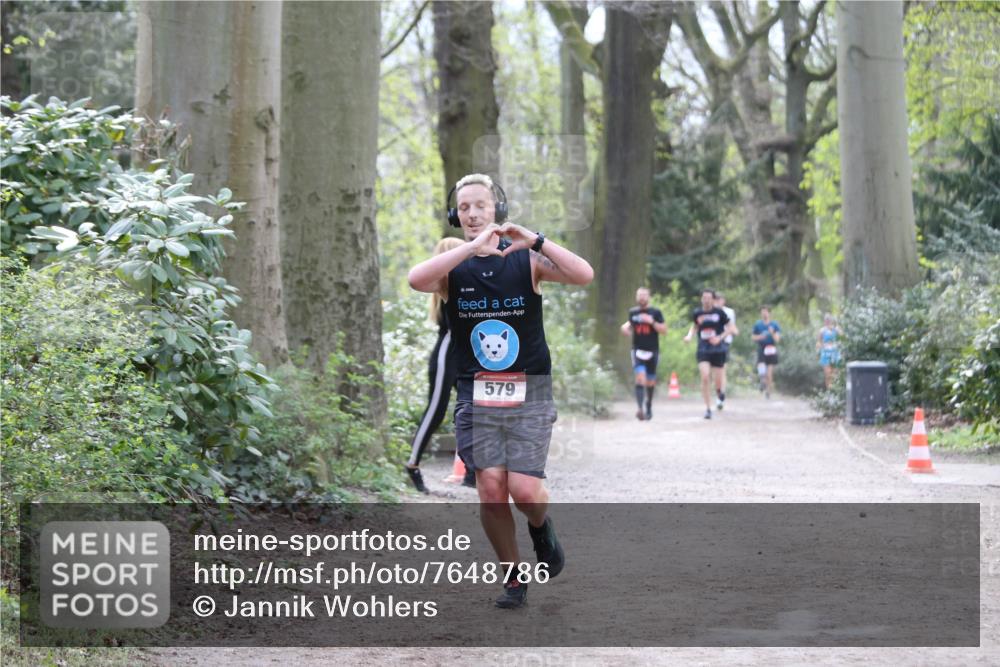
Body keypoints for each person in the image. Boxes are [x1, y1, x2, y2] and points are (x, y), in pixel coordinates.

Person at [408, 173, 594, 609]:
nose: (473, 213)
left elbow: (583, 274)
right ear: (457, 214)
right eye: (465, 207)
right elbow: (417, 280)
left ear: (497, 209)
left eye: (481, 205)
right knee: (491, 488)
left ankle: (541, 527)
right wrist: (470, 248)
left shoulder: (525, 259)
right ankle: (513, 578)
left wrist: (538, 240)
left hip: (530, 389)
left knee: (525, 492)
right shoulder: (454, 267)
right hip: (477, 393)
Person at [405, 237, 477, 494]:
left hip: (466, 356)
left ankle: (472, 471)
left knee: (472, 409)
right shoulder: (447, 284)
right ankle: (411, 464)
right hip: (447, 354)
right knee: (436, 410)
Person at [683, 289, 734, 420]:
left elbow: (730, 328)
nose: (706, 300)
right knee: (705, 377)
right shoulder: (697, 313)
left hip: (718, 349)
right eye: (704, 298)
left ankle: (719, 392)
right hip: (703, 348)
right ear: (701, 299)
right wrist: (689, 336)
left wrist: (720, 337)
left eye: (708, 298)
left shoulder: (719, 312)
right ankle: (707, 408)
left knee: (718, 380)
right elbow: (695, 326)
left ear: (713, 299)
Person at [620, 287, 667, 421]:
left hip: (653, 351)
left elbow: (664, 330)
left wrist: (651, 321)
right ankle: (640, 409)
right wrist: (625, 329)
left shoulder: (656, 312)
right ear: (636, 297)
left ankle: (649, 405)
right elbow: (629, 326)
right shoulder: (633, 312)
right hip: (637, 350)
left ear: (649, 297)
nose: (641, 297)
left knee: (650, 382)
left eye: (644, 295)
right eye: (639, 295)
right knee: (640, 378)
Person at [713, 292, 738, 411]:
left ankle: (721, 395)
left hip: (724, 343)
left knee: (722, 370)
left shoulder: (729, 312)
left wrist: (732, 332)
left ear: (724, 300)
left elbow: (732, 327)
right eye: (716, 299)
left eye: (720, 299)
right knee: (714, 372)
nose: (718, 301)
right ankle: (718, 393)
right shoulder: (710, 312)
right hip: (711, 344)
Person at [752, 306, 782, 399]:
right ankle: (763, 383)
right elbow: (753, 337)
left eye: (766, 312)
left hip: (771, 349)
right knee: (762, 372)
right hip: (761, 348)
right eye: (762, 312)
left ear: (769, 313)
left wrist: (772, 333)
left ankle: (768, 392)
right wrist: (760, 337)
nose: (764, 314)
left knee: (769, 373)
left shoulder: (774, 325)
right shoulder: (758, 324)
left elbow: (777, 339)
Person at [817, 313, 843, 390]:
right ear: (824, 321)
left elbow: (843, 338)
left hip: (835, 353)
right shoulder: (822, 330)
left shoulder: (836, 329)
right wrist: (821, 346)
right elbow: (818, 342)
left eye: (829, 320)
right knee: (827, 374)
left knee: (835, 374)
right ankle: (829, 391)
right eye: (826, 320)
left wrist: (838, 328)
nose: (828, 322)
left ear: (832, 321)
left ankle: (835, 391)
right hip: (825, 353)